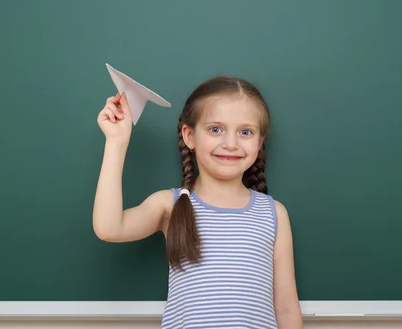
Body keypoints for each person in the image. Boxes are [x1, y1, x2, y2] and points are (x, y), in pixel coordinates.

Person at [93, 76, 302, 329]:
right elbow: (108, 228)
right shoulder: (169, 205)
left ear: (259, 142)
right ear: (189, 136)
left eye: (245, 132)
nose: (231, 144)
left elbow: (286, 308)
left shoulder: (273, 213)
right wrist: (116, 142)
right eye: (216, 129)